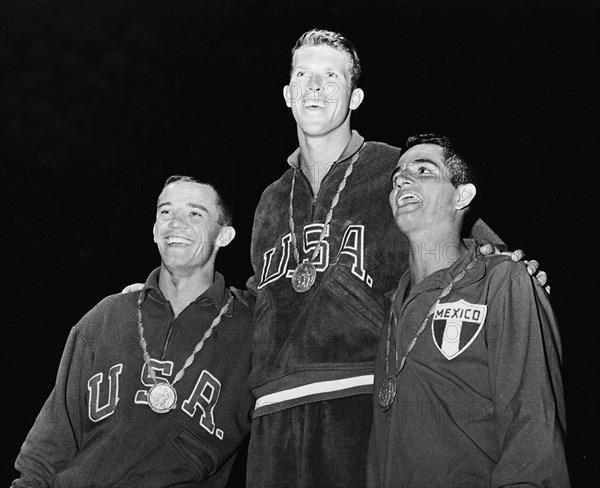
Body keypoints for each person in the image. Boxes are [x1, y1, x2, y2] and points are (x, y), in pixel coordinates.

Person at [245, 29, 547, 488]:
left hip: (360, 400)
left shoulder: (393, 168)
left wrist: (517, 265)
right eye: (304, 75)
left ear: (356, 95)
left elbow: (469, 243)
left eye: (332, 76)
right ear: (287, 93)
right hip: (273, 412)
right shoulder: (269, 199)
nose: (316, 88)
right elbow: (259, 296)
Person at [12, 175, 254, 488]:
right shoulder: (107, 316)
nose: (176, 223)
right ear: (155, 230)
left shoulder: (251, 332)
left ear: (224, 235)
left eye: (195, 213)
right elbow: (51, 441)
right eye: (166, 212)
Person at [367, 134, 568, 487]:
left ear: (462, 195)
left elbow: (533, 425)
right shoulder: (393, 306)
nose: (403, 180)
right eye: (397, 176)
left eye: (424, 171)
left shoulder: (503, 281)